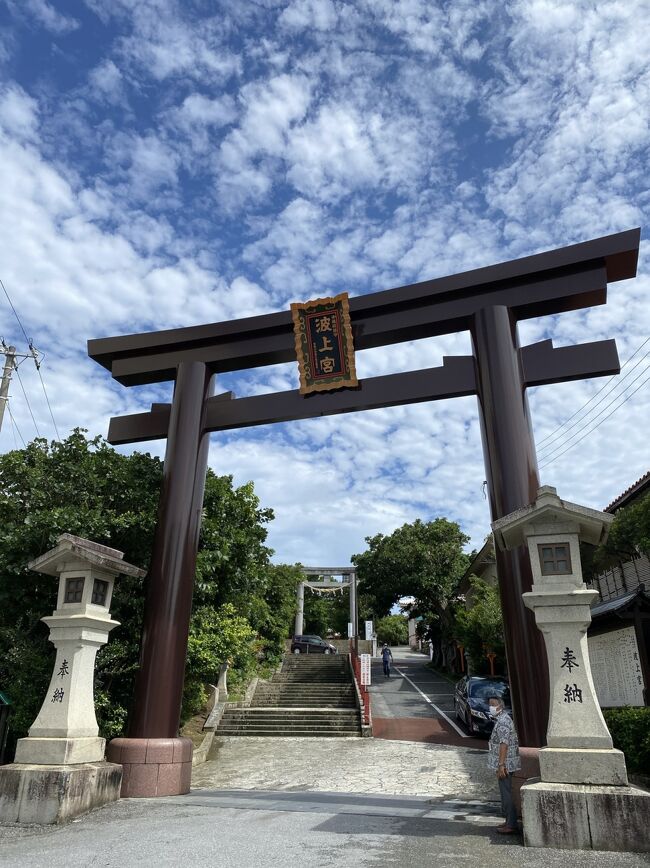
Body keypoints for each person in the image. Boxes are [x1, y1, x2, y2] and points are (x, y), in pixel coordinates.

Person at [487, 693, 521, 834]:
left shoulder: (503, 721)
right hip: (505, 763)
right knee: (504, 791)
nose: (491, 707)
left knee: (506, 793)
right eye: (490, 704)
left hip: (506, 764)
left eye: (493, 704)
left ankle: (511, 824)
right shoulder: (502, 719)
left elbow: (504, 744)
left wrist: (501, 765)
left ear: (501, 706)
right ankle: (508, 820)